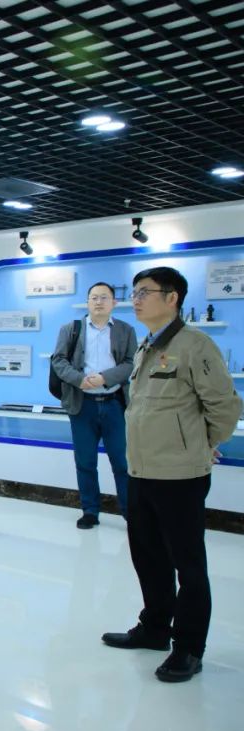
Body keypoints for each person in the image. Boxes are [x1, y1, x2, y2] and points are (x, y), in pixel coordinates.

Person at [102, 267, 241, 683]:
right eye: (134, 293)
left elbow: (225, 407)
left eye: (144, 292)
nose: (136, 300)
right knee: (148, 557)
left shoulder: (195, 345)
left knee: (188, 566)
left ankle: (189, 648)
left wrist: (202, 444)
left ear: (172, 298)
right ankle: (155, 628)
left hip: (180, 475)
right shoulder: (147, 345)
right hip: (142, 471)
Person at [51, 282, 137, 529]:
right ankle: (90, 511)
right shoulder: (71, 329)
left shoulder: (125, 330)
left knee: (122, 462)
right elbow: (59, 360)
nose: (99, 302)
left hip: (114, 404)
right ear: (88, 302)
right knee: (85, 462)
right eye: (94, 297)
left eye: (104, 297)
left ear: (114, 303)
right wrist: (80, 380)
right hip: (82, 405)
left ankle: (131, 513)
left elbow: (131, 362)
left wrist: (105, 378)